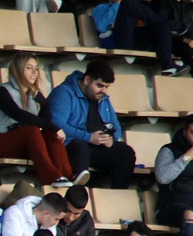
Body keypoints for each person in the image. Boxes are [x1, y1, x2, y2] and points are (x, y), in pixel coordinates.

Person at [0, 53, 72, 187]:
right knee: (33, 130)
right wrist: (54, 127)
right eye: (29, 68)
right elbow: (19, 115)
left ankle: (67, 176)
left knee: (49, 134)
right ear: (18, 69)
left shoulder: (32, 94)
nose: (34, 72)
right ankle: (51, 177)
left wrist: (44, 104)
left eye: (36, 68)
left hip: (21, 143)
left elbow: (44, 124)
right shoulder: (2, 92)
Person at [46, 61, 136, 190]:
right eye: (99, 85)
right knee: (80, 148)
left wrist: (110, 138)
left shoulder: (103, 98)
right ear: (87, 80)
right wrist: (88, 137)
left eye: (106, 87)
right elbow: (57, 125)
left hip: (96, 147)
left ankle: (118, 195)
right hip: (70, 145)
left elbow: (116, 128)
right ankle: (75, 194)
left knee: (126, 152)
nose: (103, 91)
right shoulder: (64, 92)